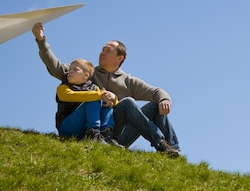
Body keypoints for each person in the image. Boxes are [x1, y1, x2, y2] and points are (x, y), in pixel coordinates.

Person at [32, 22, 180, 157]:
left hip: (117, 135)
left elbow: (156, 92)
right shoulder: (87, 73)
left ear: (120, 58)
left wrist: (164, 99)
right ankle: (158, 142)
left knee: (155, 105)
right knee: (126, 101)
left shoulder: (129, 81)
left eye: (108, 51)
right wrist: (41, 40)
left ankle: (171, 148)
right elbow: (54, 65)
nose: (102, 53)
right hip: (93, 130)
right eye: (102, 49)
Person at [55, 58, 120, 146]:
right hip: (68, 127)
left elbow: (109, 100)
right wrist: (99, 95)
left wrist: (113, 99)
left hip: (83, 128)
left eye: (75, 69)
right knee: (93, 99)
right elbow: (70, 95)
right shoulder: (63, 87)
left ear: (85, 76)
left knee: (107, 104)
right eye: (70, 69)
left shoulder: (94, 89)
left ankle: (106, 134)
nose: (70, 72)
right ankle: (93, 133)